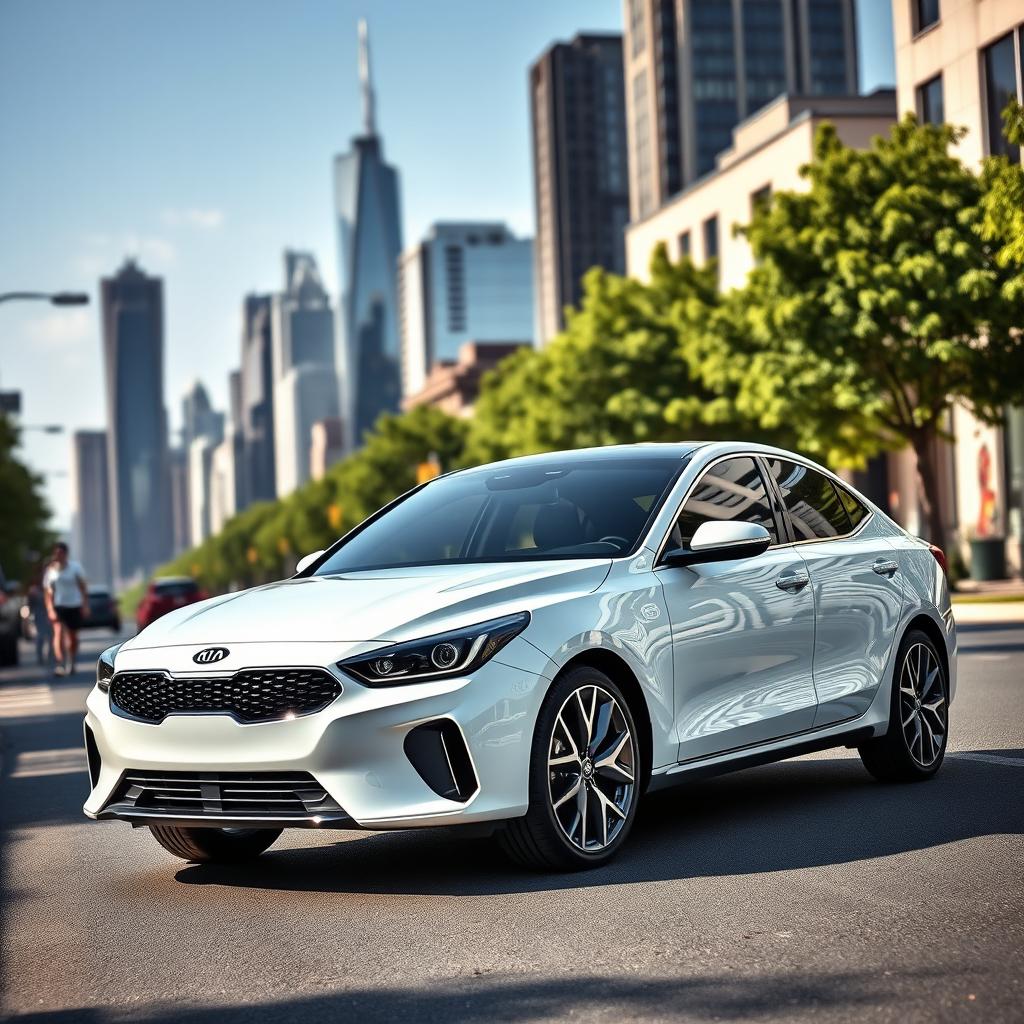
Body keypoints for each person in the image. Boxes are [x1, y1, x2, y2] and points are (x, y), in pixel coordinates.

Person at [43, 542, 89, 677]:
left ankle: (71, 661)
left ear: (66, 554)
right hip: (58, 605)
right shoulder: (51, 571)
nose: (58, 556)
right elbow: (48, 592)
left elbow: (83, 587)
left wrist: (85, 605)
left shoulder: (75, 567)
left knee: (72, 636)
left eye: (61, 553)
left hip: (74, 605)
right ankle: (60, 664)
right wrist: (50, 609)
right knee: (58, 633)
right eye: (56, 553)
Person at [25, 578, 54, 668]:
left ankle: (50, 657)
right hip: (39, 616)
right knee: (40, 636)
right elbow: (29, 604)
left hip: (49, 615)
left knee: (50, 636)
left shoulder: (50, 588)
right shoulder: (34, 591)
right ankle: (40, 658)